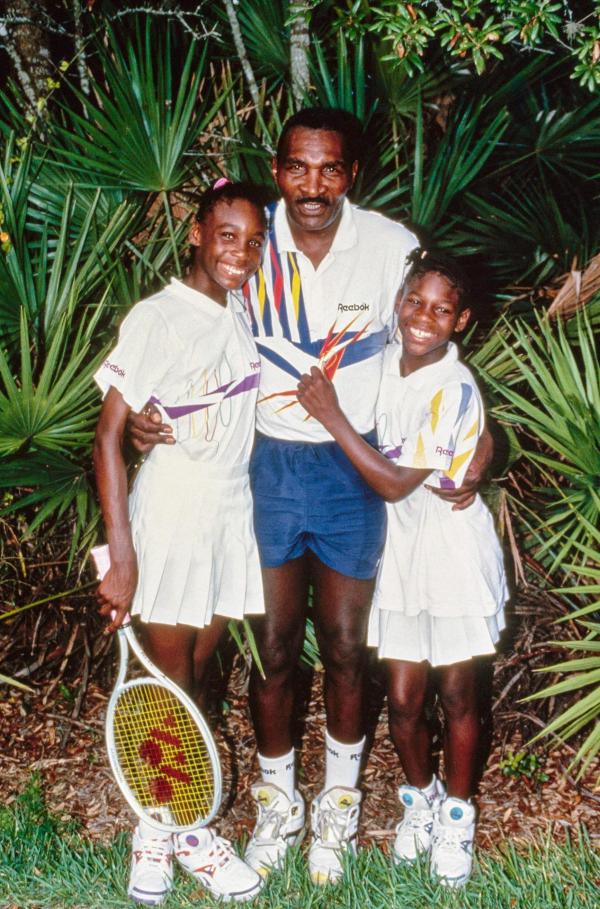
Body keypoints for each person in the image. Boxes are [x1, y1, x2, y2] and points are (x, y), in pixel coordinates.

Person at [126, 108, 493, 886]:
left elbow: (435, 352)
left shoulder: (392, 247)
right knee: (276, 649)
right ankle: (277, 805)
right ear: (279, 167)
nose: (313, 185)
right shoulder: (252, 238)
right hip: (267, 467)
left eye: (329, 168)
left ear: (350, 172)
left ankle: (337, 806)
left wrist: (483, 446)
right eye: (298, 167)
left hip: (355, 472)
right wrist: (145, 423)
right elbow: (190, 345)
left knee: (351, 649)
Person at [296, 250, 508, 888]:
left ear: (461, 320)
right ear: (399, 302)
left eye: (442, 310)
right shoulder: (382, 359)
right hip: (399, 551)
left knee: (459, 693)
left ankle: (458, 817)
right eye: (416, 302)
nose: (425, 318)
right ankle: (420, 799)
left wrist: (328, 414)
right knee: (405, 696)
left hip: (449, 551)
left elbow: (392, 482)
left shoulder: (456, 386)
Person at [92, 182, 269, 906]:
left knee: (194, 675)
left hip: (230, 516)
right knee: (171, 692)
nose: (241, 252)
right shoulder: (156, 316)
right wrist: (122, 555)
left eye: (254, 240)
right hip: (169, 514)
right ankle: (169, 833)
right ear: (196, 233)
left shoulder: (243, 310)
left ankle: (166, 824)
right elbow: (107, 438)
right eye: (227, 235)